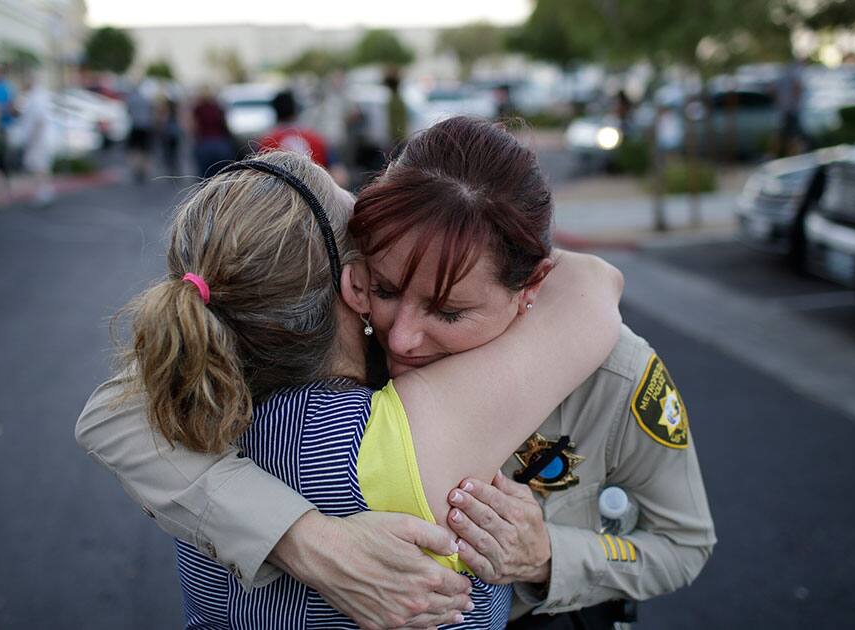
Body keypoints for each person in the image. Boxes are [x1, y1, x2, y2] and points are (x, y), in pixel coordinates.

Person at [77, 117, 715, 628]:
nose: (402, 336)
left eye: (449, 310)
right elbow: (116, 412)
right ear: (354, 265)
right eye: (382, 287)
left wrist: (551, 556)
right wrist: (303, 538)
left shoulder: (615, 373)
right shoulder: (332, 335)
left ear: (534, 285)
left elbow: (683, 545)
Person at [258, 89, 348, 185]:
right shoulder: (316, 138)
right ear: (296, 109)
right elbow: (340, 176)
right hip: (316, 194)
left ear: (275, 111)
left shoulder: (265, 142)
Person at [18, 74, 55, 206]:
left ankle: (43, 193)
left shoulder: (36, 98)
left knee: (40, 166)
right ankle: (43, 192)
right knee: (39, 166)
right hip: (38, 138)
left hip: (38, 139)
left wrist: (33, 138)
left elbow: (40, 120)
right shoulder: (36, 96)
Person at [189, 86, 236, 179]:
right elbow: (225, 124)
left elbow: (192, 126)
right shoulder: (217, 107)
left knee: (205, 178)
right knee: (224, 176)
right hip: (220, 143)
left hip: (204, 144)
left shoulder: (197, 109)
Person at [125, 84, 155, 182]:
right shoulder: (146, 99)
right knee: (145, 150)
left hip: (135, 126)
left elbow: (128, 112)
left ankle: (137, 169)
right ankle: (143, 170)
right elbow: (151, 112)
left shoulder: (131, 99)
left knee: (135, 150)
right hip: (146, 127)